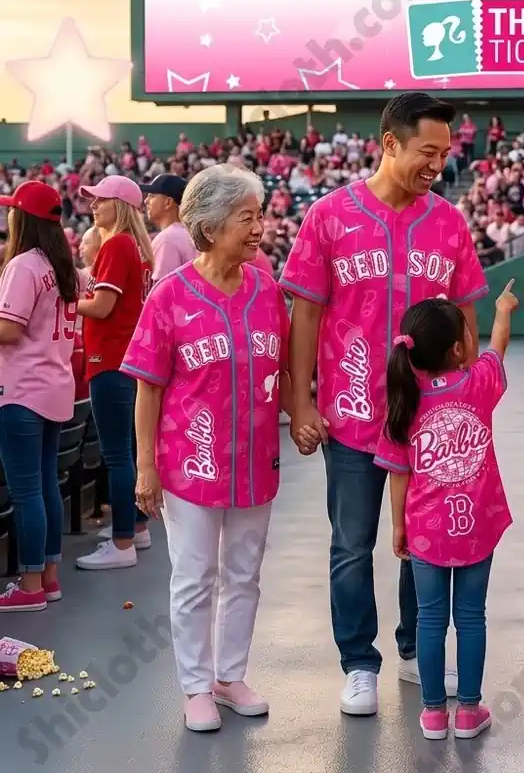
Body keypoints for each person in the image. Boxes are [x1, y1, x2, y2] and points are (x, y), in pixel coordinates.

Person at [281, 93, 489, 716]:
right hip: (349, 415)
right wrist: (301, 402)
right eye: (427, 152)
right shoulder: (329, 216)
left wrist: (470, 399)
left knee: (419, 541)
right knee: (352, 543)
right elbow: (306, 315)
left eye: (445, 154)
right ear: (390, 143)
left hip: (427, 423)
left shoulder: (448, 222)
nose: (437, 165)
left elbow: (468, 317)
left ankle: (411, 647)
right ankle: (358, 662)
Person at [126, 165, 292, 732]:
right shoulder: (170, 296)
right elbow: (147, 387)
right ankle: (196, 684)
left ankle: (229, 675)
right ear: (212, 223)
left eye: (259, 215)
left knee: (244, 573)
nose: (258, 227)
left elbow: (285, 369)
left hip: (254, 461)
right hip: (190, 463)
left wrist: (302, 417)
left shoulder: (267, 289)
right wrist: (145, 466)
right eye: (247, 217)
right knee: (195, 575)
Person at [374, 282, 517, 741]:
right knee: (472, 616)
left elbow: (398, 472)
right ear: (458, 349)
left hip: (426, 529)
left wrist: (399, 525)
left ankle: (434, 714)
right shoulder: (478, 384)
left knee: (431, 620)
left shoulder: (404, 401)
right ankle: (470, 711)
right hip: (477, 523)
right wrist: (502, 311)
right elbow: (498, 348)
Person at [0, 182, 78, 612]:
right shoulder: (60, 261)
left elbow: (9, 329)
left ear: (22, 218)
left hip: (24, 389)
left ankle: (30, 586)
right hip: (55, 384)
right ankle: (47, 578)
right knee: (46, 484)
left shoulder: (25, 265)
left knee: (27, 490)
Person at [76, 175, 154, 570]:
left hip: (110, 358)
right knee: (128, 450)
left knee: (117, 454)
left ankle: (122, 542)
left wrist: (68, 299)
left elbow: (102, 307)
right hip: (125, 357)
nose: (93, 206)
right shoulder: (132, 244)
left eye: (100, 200)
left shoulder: (117, 244)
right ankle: (136, 528)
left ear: (119, 205)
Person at [141, 174, 196, 281]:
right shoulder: (187, 233)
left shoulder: (168, 239)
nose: (146, 201)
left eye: (152, 196)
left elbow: (162, 292)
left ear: (168, 203)